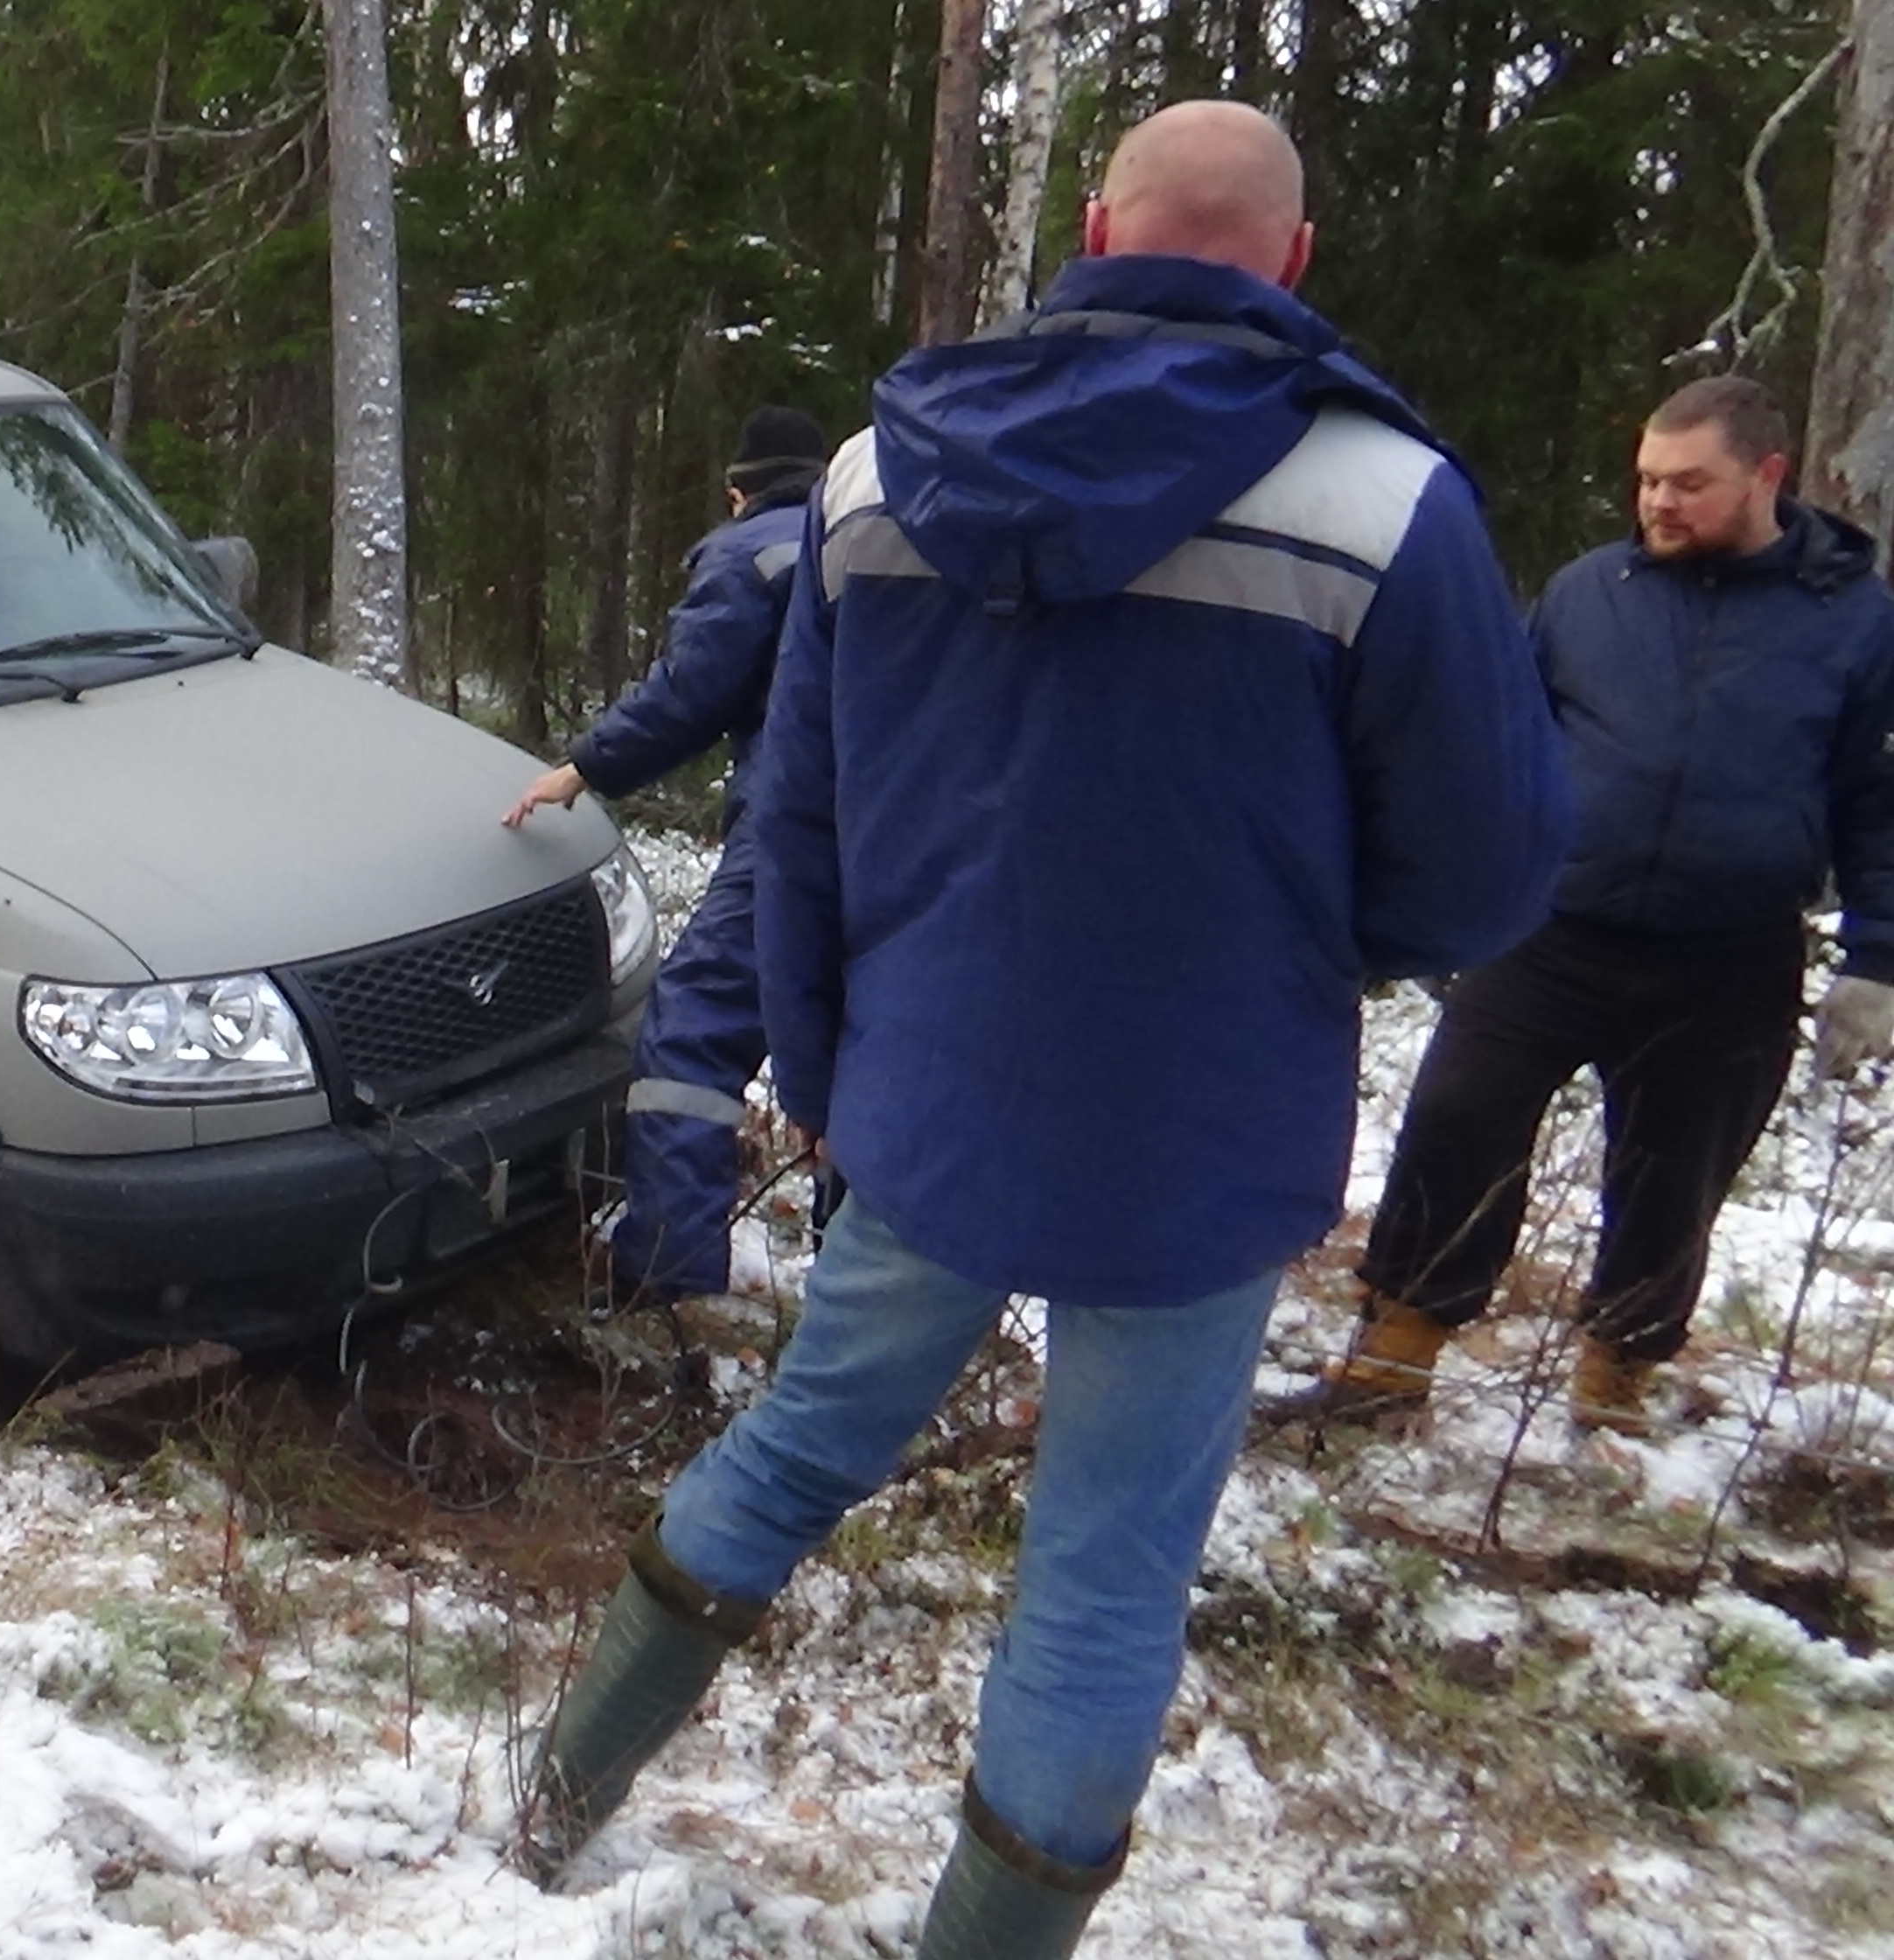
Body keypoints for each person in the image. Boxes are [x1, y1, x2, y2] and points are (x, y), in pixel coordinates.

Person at [511, 102, 1567, 1955]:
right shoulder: (1384, 504)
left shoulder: (870, 476)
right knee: (1101, 1574)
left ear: (1089, 229)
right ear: (1292, 260)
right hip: (1202, 1124)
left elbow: (798, 822)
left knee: (793, 1447)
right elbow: (1481, 875)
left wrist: (823, 1071)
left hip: (929, 1097)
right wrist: (1304, 946)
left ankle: (546, 1805)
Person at [1324, 376, 1894, 1436]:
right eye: (1647, 480)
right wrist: (1444, 884)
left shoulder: (1855, 622)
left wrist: (1877, 958)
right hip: (1549, 927)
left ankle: (1618, 1377)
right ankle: (1397, 1348)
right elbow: (1499, 750)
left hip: (1730, 956)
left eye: (1690, 482)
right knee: (1457, 1120)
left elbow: (1876, 799)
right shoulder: (1590, 591)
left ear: (1767, 475)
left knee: (1675, 1181)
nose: (1659, 502)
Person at [507, 405, 832, 1304]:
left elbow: (691, 691)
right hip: (909, 831)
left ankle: (666, 1278)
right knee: (863, 1043)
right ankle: (855, 1287)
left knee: (693, 1031)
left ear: (738, 493)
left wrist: (584, 767)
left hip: (799, 824)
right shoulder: (866, 536)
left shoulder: (748, 553)